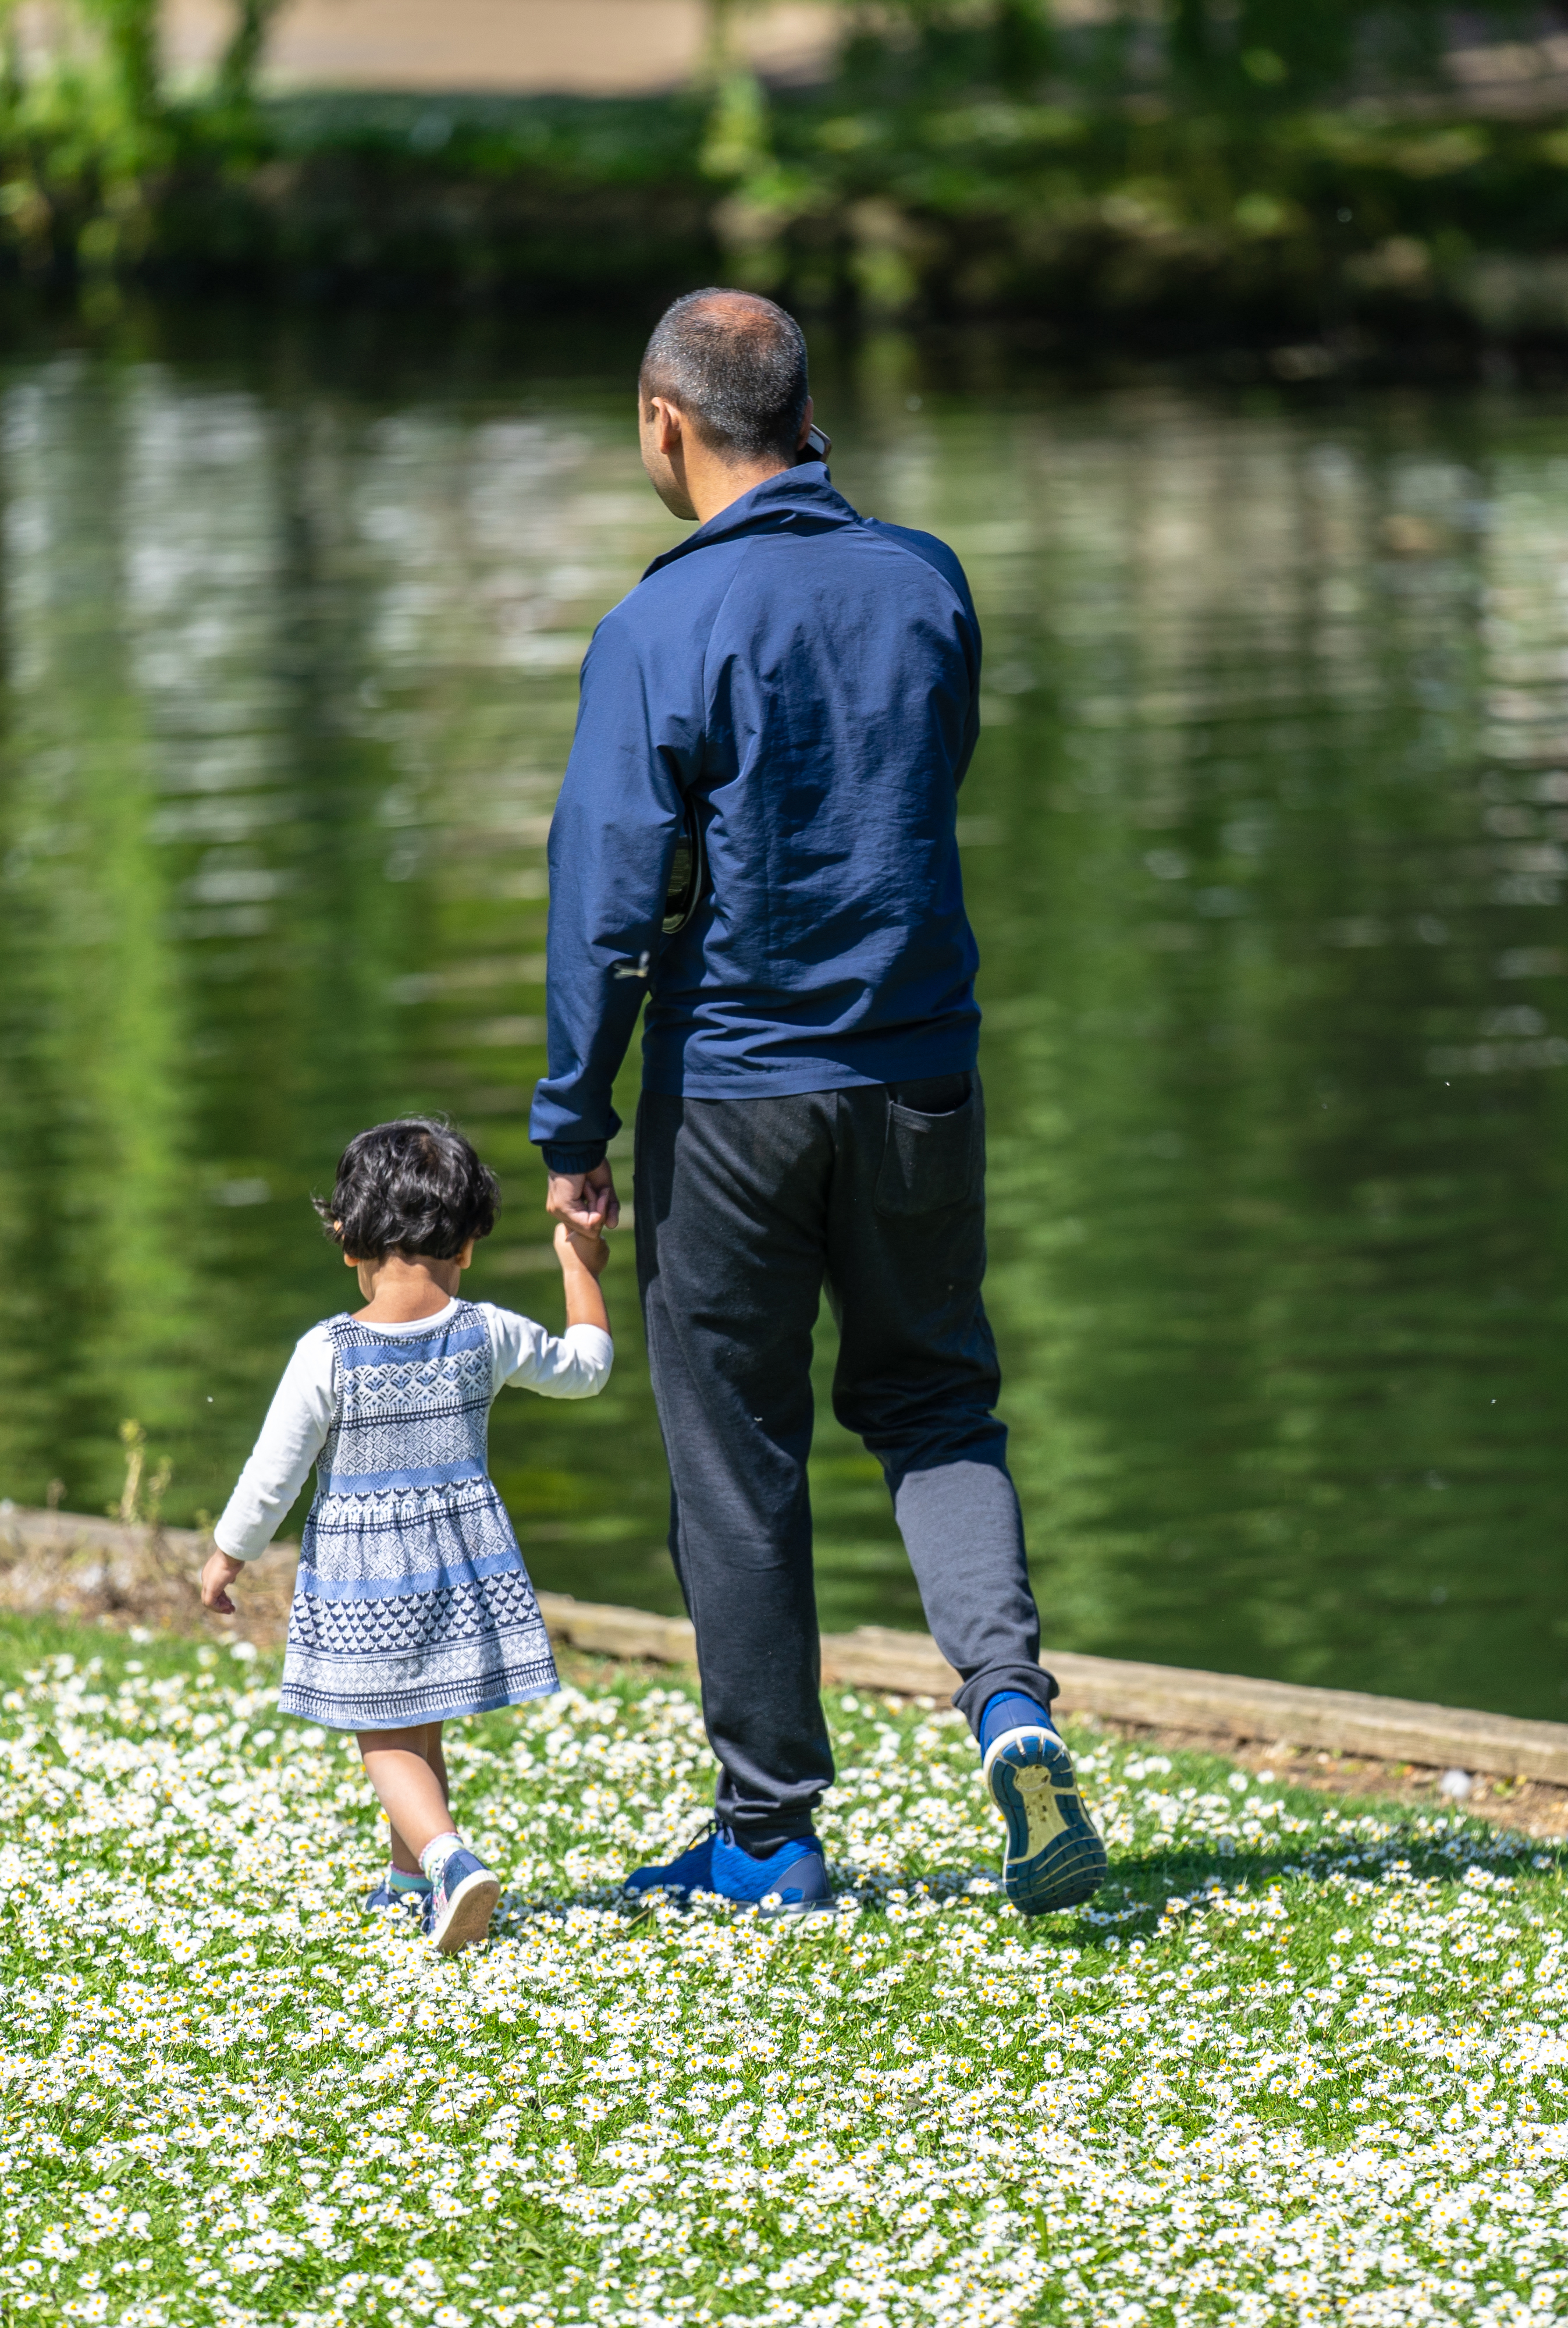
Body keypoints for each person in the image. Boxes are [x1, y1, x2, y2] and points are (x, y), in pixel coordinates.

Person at [533, 287, 1107, 1918]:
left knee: (739, 1446)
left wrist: (573, 1121)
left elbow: (611, 898)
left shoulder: (659, 628)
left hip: (734, 1098)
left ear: (665, 422)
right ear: (803, 411)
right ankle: (1007, 1708)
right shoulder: (928, 585)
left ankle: (771, 1831)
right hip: (921, 1073)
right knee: (936, 1406)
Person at [199, 1117, 614, 1954]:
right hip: (464, 1571)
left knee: (383, 1737)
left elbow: (273, 1473)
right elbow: (587, 1368)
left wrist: (226, 1554)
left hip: (367, 1579)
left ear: (348, 1239)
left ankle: (448, 1858)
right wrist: (579, 1265)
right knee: (418, 1727)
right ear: (467, 1244)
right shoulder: (486, 1331)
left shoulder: (328, 1350)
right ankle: (407, 1887)